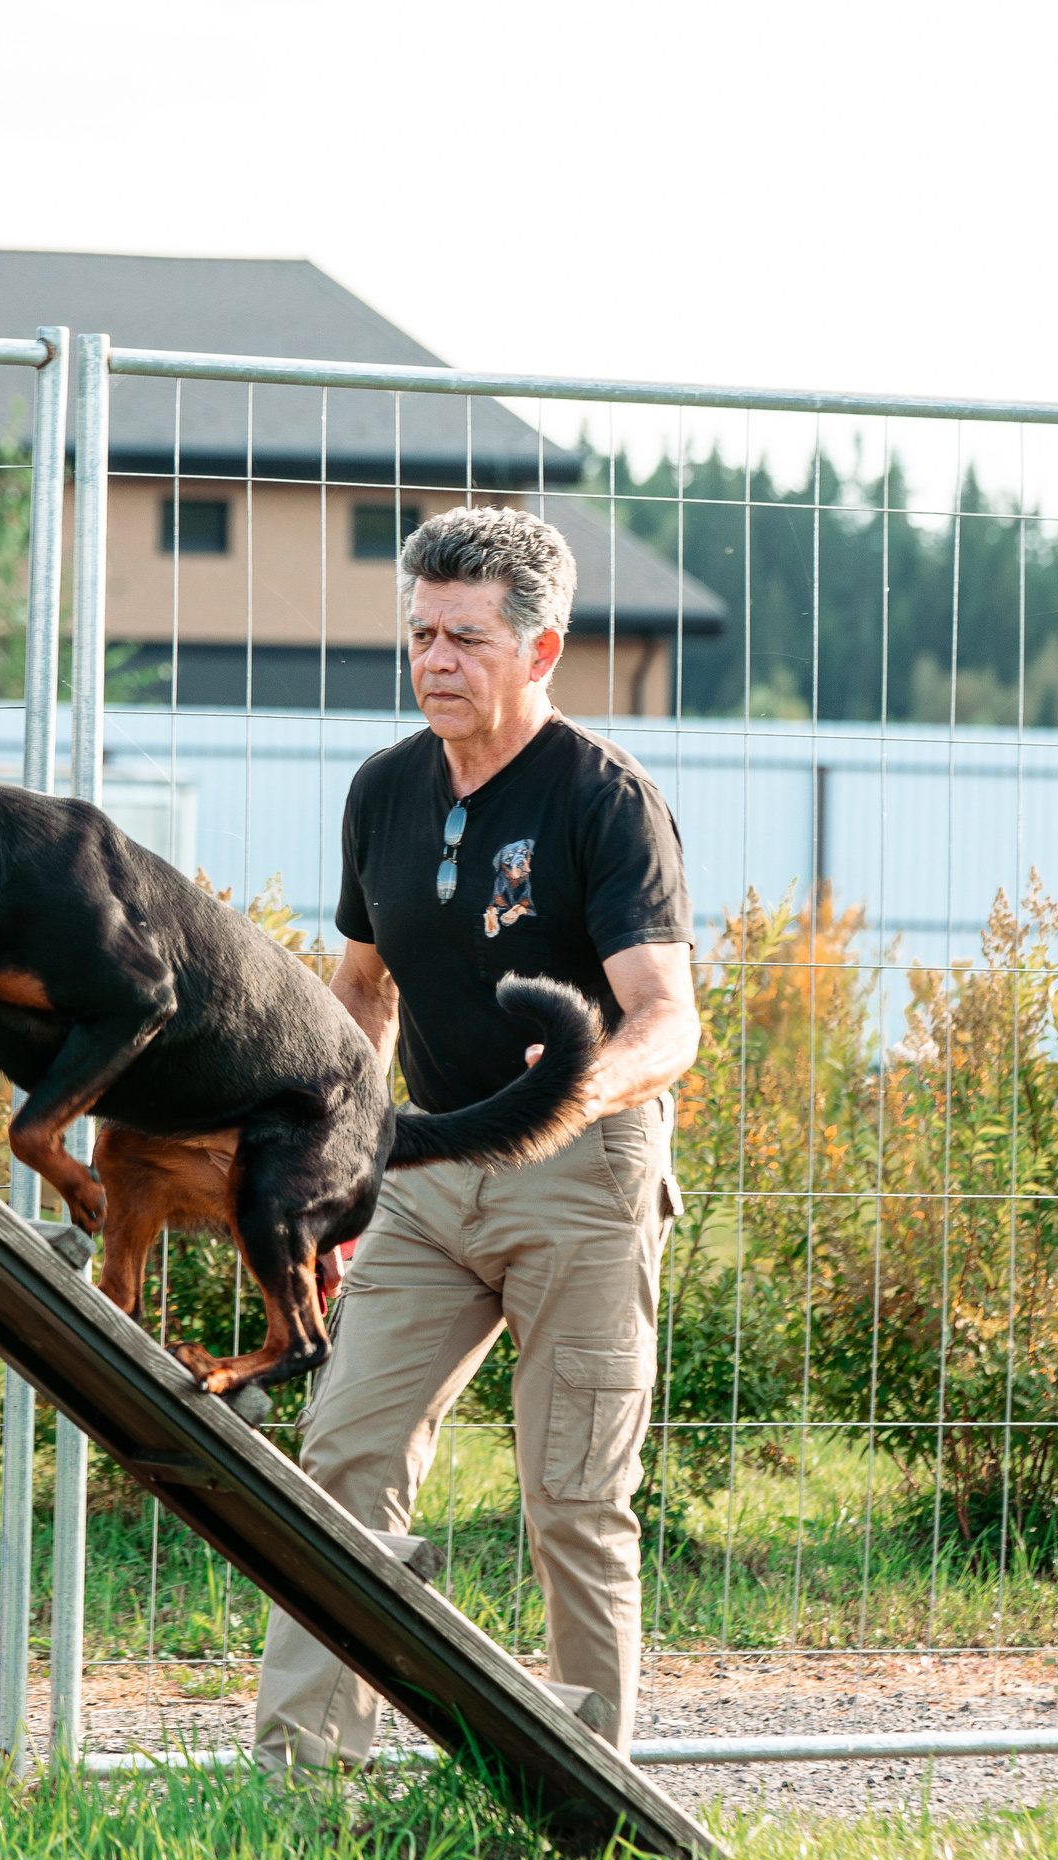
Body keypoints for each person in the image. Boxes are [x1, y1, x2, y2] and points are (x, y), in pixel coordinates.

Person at [253, 504, 698, 1771]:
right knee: (341, 1456)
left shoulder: (604, 801)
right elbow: (362, 991)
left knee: (573, 1493)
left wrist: (575, 1094)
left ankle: (589, 1793)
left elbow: (667, 1019)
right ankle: (301, 1779)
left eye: (467, 638)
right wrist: (330, 1151)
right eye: (421, 634)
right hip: (429, 1173)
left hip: (581, 1176)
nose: (435, 660)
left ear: (540, 650)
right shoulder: (384, 789)